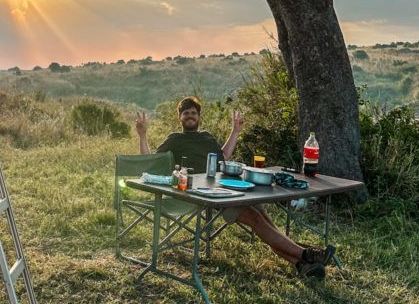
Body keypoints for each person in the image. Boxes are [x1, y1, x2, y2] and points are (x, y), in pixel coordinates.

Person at [135, 96, 335, 279]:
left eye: (193, 113)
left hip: (221, 188)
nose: (190, 116)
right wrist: (142, 135)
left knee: (260, 211)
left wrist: (236, 131)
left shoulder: (207, 138)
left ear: (199, 117)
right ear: (180, 118)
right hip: (200, 194)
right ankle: (307, 254)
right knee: (255, 218)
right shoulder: (174, 139)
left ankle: (301, 264)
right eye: (186, 113)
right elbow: (150, 162)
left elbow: (224, 156)